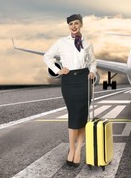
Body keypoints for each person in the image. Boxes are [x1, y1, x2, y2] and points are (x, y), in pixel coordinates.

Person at [43, 14, 97, 168]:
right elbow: (47, 56)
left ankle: (78, 151)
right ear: (68, 26)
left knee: (82, 116)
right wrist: (57, 70)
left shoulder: (87, 43)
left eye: (76, 23)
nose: (73, 26)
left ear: (81, 24)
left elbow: (93, 62)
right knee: (74, 116)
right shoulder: (61, 42)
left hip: (84, 79)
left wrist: (92, 71)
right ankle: (71, 149)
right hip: (69, 81)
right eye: (71, 24)